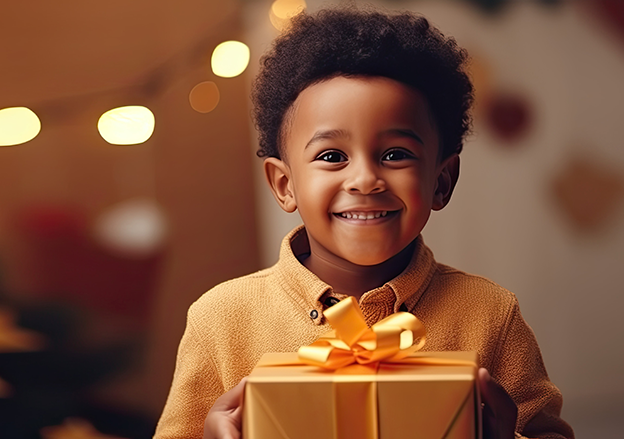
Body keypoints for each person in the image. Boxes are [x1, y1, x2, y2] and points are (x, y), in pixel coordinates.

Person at [155, 7, 573, 439]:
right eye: (332, 156)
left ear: (442, 181)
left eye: (395, 155)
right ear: (284, 185)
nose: (365, 180)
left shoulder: (491, 314)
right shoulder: (220, 319)